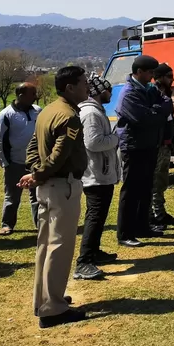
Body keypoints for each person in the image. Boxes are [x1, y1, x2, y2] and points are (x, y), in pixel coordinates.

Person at [19, 65, 89, 328]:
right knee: (60, 246)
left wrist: (36, 173)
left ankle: (46, 299)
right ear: (70, 87)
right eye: (83, 83)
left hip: (48, 187)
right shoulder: (69, 116)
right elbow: (60, 154)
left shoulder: (48, 110)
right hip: (62, 186)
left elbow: (32, 149)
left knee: (45, 245)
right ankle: (53, 309)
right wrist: (39, 174)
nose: (87, 87)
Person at [115, 54, 166, 247]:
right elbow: (143, 119)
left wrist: (156, 111)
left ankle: (143, 226)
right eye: (150, 72)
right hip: (133, 146)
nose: (153, 76)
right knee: (131, 190)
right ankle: (125, 233)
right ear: (139, 72)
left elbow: (164, 105)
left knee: (145, 188)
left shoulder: (148, 89)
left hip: (148, 145)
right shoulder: (129, 93)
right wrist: (156, 112)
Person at [73, 75, 120, 281]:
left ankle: (95, 252)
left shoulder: (94, 110)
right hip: (95, 175)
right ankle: (84, 262)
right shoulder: (91, 113)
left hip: (100, 172)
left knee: (99, 217)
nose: (110, 93)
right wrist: (116, 137)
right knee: (94, 216)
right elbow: (93, 143)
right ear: (101, 92)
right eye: (108, 90)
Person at [0, 83, 41, 235]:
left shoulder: (38, 111)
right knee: (12, 196)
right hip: (15, 162)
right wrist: (5, 163)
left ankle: (40, 224)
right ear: (21, 95)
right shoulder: (5, 115)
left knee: (37, 195)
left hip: (35, 162)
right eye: (32, 93)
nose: (35, 96)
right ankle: (7, 224)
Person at [149, 63, 174, 228]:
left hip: (165, 145)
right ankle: (153, 215)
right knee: (154, 181)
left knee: (162, 181)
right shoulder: (154, 94)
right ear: (159, 78)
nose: (172, 80)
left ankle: (160, 212)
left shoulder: (166, 94)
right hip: (157, 145)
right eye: (169, 76)